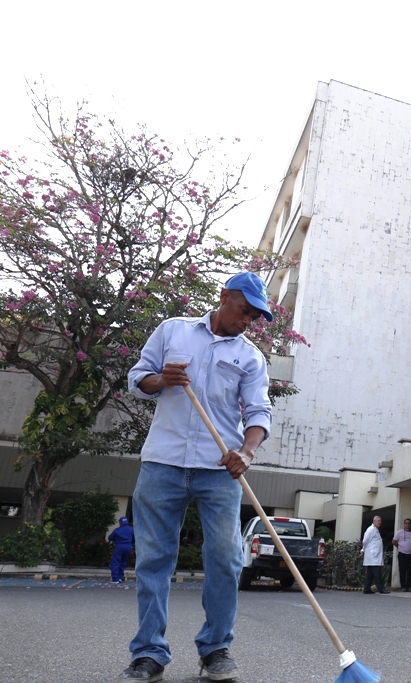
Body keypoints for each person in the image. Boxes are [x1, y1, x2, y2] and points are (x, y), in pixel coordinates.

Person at [115, 272, 274, 683]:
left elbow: (259, 414)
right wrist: (162, 380)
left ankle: (216, 649)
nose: (248, 321)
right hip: (162, 463)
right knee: (154, 559)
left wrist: (247, 452)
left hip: (219, 469)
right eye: (245, 311)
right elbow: (138, 378)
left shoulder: (251, 357)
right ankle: (149, 652)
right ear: (224, 298)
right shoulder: (173, 331)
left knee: (226, 558)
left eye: (255, 317)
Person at [360, 515, 389, 594]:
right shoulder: (371, 529)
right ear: (374, 521)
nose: (379, 522)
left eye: (380, 521)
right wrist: (363, 550)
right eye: (378, 521)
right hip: (373, 556)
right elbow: (365, 541)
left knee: (370, 574)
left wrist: (363, 550)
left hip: (374, 555)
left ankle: (366, 588)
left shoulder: (375, 529)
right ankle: (381, 588)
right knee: (377, 573)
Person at [391, 518, 411, 591]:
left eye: (409, 523)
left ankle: (409, 586)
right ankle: (403, 586)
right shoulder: (399, 532)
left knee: (410, 571)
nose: (407, 525)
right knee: (402, 570)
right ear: (404, 524)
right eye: (406, 523)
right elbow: (394, 541)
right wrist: (400, 546)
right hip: (402, 554)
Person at [108, 516, 135, 583]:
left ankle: (115, 579)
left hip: (119, 546)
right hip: (128, 547)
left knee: (116, 562)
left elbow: (110, 538)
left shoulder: (117, 530)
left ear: (120, 523)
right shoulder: (132, 529)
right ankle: (120, 577)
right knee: (123, 562)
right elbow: (134, 539)